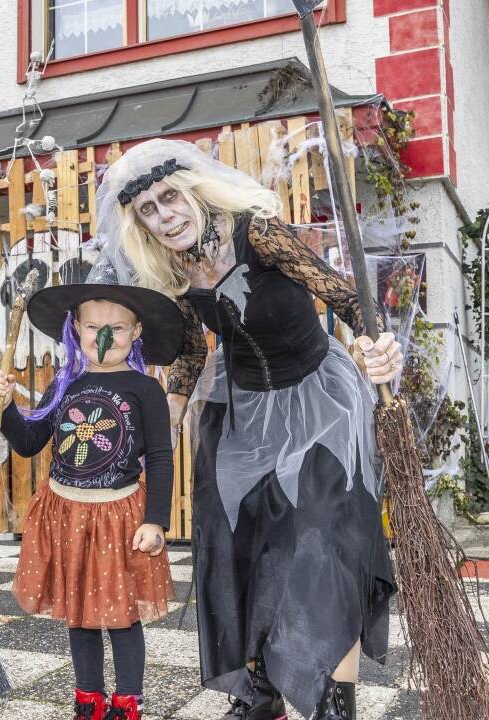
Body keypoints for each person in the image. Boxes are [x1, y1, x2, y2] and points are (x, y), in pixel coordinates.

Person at [90, 138, 405, 720]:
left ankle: (336, 707)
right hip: (239, 417)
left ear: (194, 191)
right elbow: (188, 352)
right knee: (238, 548)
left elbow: (345, 297)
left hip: (318, 406)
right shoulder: (172, 268)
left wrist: (375, 342)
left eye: (170, 198)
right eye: (149, 212)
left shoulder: (258, 233)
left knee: (324, 550)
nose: (166, 216)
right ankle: (259, 697)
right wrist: (172, 406)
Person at [0, 282, 181, 720]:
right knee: (80, 612)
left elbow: (161, 458)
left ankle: (128, 699)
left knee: (121, 613)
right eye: (93, 327)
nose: (103, 337)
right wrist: (5, 406)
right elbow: (28, 443)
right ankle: (88, 698)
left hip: (119, 514)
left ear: (136, 332)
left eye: (116, 327)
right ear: (76, 329)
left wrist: (156, 520)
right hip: (67, 512)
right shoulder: (66, 383)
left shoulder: (145, 389)